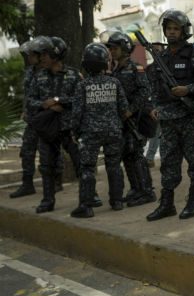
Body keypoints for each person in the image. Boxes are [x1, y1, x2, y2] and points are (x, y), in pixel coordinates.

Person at [146, 9, 194, 221]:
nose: (171, 33)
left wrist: (187, 90)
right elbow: (154, 87)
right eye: (168, 29)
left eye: (175, 29)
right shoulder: (160, 57)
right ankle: (167, 202)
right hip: (168, 119)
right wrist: (154, 106)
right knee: (169, 162)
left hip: (191, 117)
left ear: (184, 31)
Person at [70, 43, 131, 218]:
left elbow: (77, 112)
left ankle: (86, 206)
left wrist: (74, 131)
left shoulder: (83, 86)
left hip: (90, 133)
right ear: (105, 62)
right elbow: (124, 109)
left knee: (87, 168)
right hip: (113, 131)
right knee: (114, 166)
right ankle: (117, 201)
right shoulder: (115, 82)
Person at [27, 36, 86, 213]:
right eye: (41, 54)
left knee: (81, 163)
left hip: (70, 128)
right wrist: (45, 104)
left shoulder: (74, 75)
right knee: (46, 165)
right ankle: (47, 200)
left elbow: (81, 98)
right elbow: (30, 100)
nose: (42, 58)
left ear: (56, 55)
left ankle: (87, 197)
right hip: (48, 128)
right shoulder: (38, 77)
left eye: (45, 54)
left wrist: (59, 100)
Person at [107, 31, 157, 207]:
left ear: (125, 48)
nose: (112, 51)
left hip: (135, 119)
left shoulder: (136, 68)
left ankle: (147, 190)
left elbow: (145, 91)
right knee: (127, 155)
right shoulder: (114, 71)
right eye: (110, 48)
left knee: (136, 155)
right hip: (122, 120)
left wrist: (131, 110)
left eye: (115, 48)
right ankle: (136, 188)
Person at [11, 41, 64, 198]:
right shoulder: (30, 72)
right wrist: (25, 110)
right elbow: (28, 95)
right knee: (27, 150)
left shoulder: (52, 72)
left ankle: (56, 182)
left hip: (48, 119)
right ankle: (27, 184)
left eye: (32, 55)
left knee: (51, 151)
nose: (29, 58)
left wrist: (49, 104)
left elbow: (58, 96)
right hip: (33, 118)